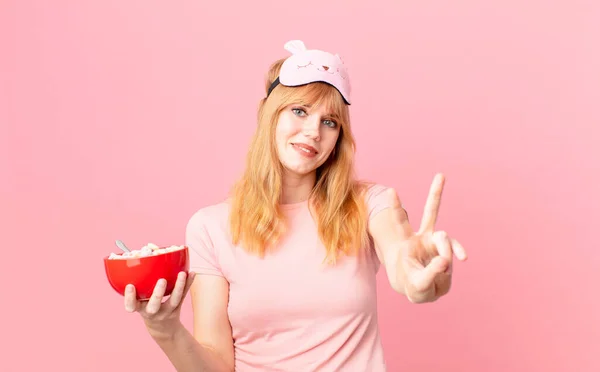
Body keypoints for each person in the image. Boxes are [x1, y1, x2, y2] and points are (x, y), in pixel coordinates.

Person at [123, 40, 468, 371]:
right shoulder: (210, 228)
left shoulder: (368, 204)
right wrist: (165, 331)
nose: (313, 131)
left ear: (338, 138)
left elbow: (399, 255)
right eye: (299, 111)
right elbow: (216, 366)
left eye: (329, 121)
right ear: (269, 115)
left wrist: (415, 273)